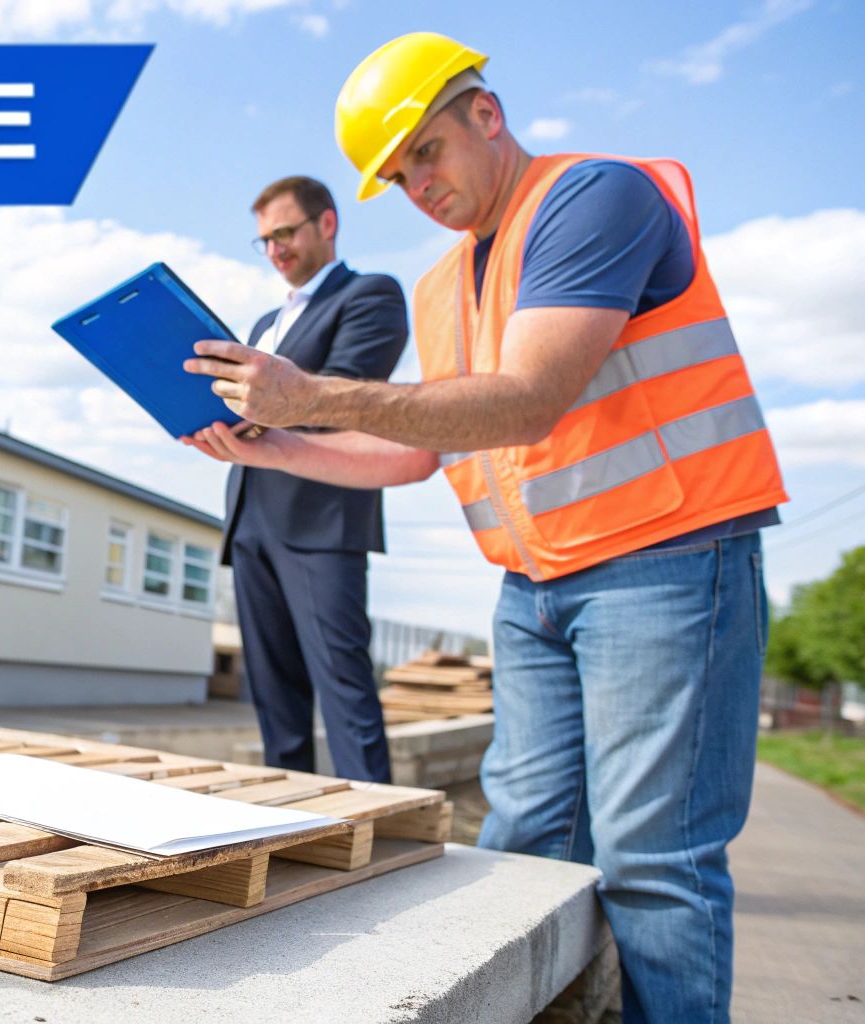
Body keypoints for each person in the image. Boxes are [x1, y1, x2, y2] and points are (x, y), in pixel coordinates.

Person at [180, 32, 785, 1024]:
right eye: (394, 172)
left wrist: (317, 395)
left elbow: (525, 400)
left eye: (425, 149)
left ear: (484, 115)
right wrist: (269, 443)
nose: (417, 181)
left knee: (650, 860)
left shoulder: (594, 198)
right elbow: (415, 454)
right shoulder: (438, 283)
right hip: (533, 586)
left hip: (667, 561)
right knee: (521, 841)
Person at [226, 175, 407, 782]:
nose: (275, 250)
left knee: (345, 695)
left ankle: (380, 832)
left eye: (285, 233)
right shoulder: (261, 326)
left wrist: (262, 413)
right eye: (264, 241)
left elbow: (346, 394)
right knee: (275, 704)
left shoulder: (370, 295)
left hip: (321, 520)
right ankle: (288, 829)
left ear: (327, 223)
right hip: (250, 517)